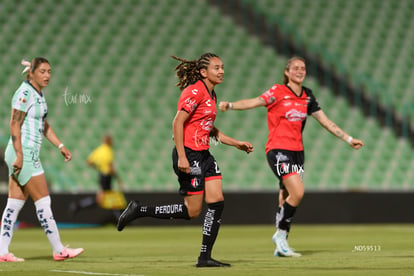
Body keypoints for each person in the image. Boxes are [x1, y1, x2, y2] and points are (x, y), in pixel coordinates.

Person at [117, 53, 254, 267]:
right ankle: (139, 210)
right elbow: (177, 122)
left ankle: (204, 257)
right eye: (217, 68)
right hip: (189, 154)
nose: (222, 71)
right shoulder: (195, 91)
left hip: (204, 155)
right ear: (203, 72)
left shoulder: (212, 94)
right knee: (192, 211)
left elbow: (209, 128)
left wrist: (235, 143)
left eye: (222, 67)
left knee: (217, 201)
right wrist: (182, 156)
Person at [219, 56, 364, 257]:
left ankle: (282, 244)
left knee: (286, 196)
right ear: (287, 72)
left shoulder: (307, 96)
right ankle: (280, 235)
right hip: (278, 149)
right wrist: (232, 105)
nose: (300, 71)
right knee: (298, 192)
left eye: (303, 68)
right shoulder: (277, 91)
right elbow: (255, 101)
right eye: (295, 68)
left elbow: (325, 121)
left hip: (297, 152)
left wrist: (349, 139)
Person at [0, 58, 84, 262]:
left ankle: (2, 251)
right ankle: (59, 250)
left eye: (49, 71)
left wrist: (61, 146)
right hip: (24, 152)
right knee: (43, 201)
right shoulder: (25, 93)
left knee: (13, 204)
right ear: (31, 73)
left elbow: (44, 125)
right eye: (42, 71)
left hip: (23, 152)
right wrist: (20, 155)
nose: (47, 75)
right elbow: (13, 124)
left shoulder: (38, 94)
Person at [69, 134, 125, 220]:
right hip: (106, 177)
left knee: (103, 199)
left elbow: (89, 162)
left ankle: (78, 206)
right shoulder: (108, 150)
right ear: (109, 141)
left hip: (102, 175)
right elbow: (110, 167)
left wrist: (99, 167)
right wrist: (118, 178)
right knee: (107, 198)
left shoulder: (99, 150)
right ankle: (120, 218)